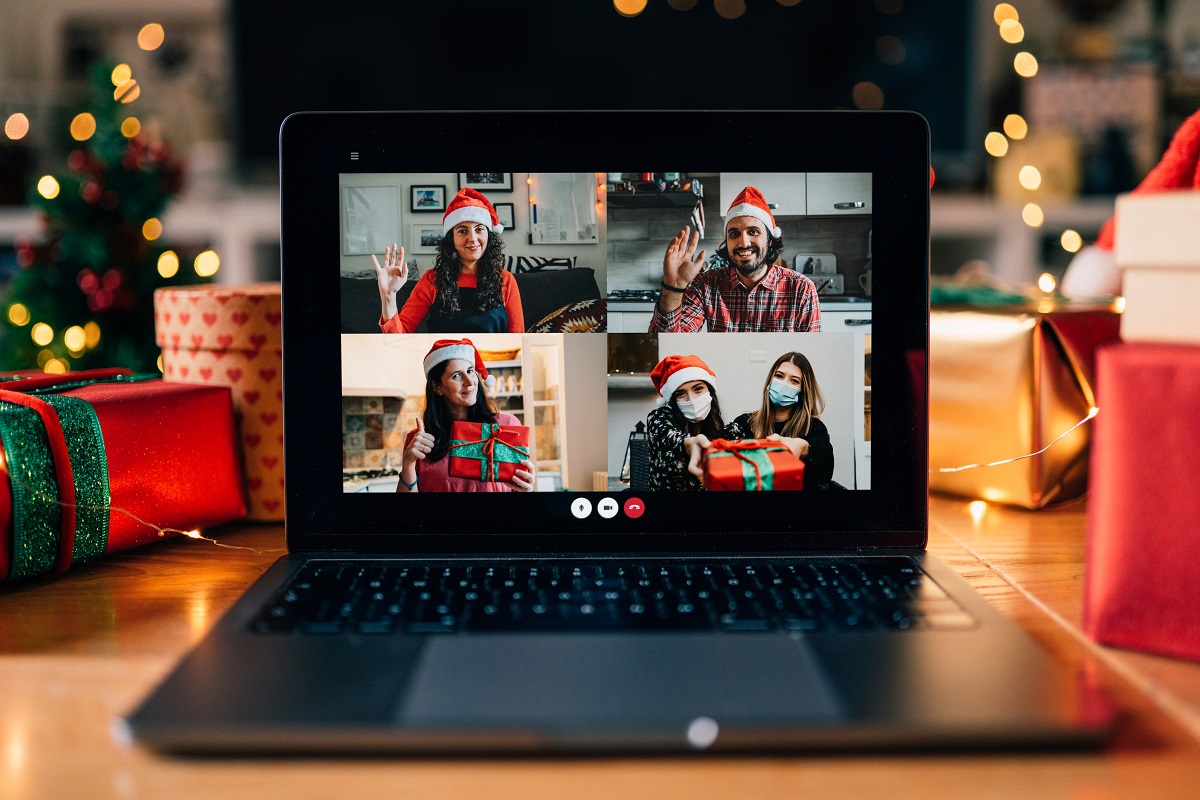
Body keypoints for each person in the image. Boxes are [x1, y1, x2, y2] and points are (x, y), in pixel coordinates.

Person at [649, 186, 821, 333]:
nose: (743, 242)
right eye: (734, 234)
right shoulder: (706, 284)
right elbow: (670, 340)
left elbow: (810, 353)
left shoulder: (801, 288)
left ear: (769, 240)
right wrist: (674, 286)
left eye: (753, 232)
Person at [376, 188, 525, 333]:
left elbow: (518, 340)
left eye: (479, 229)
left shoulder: (506, 280)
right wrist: (388, 296)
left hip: (492, 358)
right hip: (444, 357)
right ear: (451, 239)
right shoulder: (432, 280)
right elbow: (398, 336)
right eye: (462, 230)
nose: (472, 238)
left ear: (489, 237)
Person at [397, 338, 535, 493]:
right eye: (456, 375)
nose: (469, 381)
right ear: (437, 387)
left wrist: (527, 490)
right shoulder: (419, 440)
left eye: (470, 371)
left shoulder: (507, 425)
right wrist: (408, 463)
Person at [715, 351, 834, 490]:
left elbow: (825, 471)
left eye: (794, 381)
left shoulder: (813, 427)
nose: (784, 384)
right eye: (779, 376)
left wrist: (803, 448)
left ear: (803, 391)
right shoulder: (744, 423)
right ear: (770, 380)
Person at [645, 354, 748, 491]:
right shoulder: (658, 419)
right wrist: (692, 444)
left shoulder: (729, 432)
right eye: (680, 394)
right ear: (672, 401)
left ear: (710, 391)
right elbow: (670, 438)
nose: (691, 399)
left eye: (698, 388)